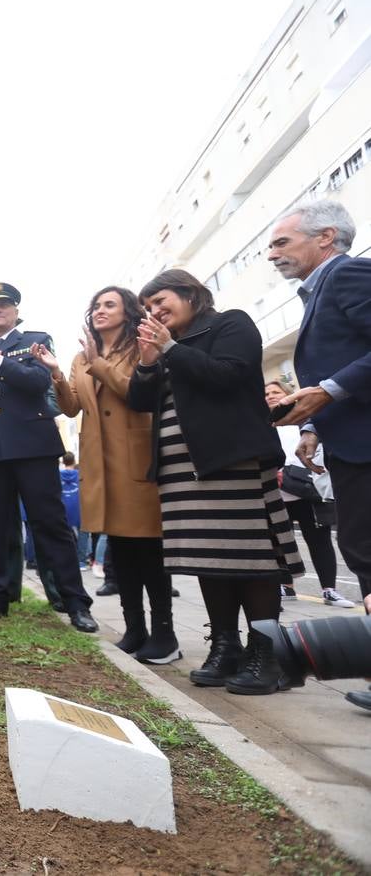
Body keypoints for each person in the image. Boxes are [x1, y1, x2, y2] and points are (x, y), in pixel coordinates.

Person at [128, 269, 302, 695]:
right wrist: (149, 361)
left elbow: (229, 375)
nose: (155, 311)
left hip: (232, 461)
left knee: (251, 558)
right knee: (211, 558)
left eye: (160, 300)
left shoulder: (231, 323)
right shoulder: (165, 349)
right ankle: (225, 646)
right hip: (181, 471)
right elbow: (138, 401)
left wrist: (168, 348)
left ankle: (268, 653)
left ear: (190, 293)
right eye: (148, 308)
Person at [36, 286, 179, 664]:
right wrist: (55, 374)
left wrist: (99, 362)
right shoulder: (81, 356)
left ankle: (165, 635)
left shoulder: (141, 344)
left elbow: (136, 393)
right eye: (96, 305)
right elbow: (70, 408)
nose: (100, 310)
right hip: (99, 462)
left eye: (109, 304)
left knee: (148, 548)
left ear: (127, 311)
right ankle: (134, 629)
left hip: (136, 457)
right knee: (120, 549)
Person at [0, 283, 97, 631]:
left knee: (50, 524)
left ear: (16, 310)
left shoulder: (35, 339)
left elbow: (37, 382)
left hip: (33, 446)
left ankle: (75, 602)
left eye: (4, 305)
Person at [267, 199, 371, 626]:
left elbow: (334, 379)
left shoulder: (348, 273)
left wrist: (327, 392)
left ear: (325, 237)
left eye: (281, 243)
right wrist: (311, 425)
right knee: (360, 546)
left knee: (364, 547)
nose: (272, 255)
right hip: (349, 444)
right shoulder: (318, 291)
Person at [265, 381, 349, 608]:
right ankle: (287, 586)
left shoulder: (305, 421)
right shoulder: (263, 423)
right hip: (276, 494)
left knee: (319, 541)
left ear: (288, 395)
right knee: (280, 542)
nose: (271, 396)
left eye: (276, 392)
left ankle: (329, 590)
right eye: (266, 393)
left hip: (309, 491)